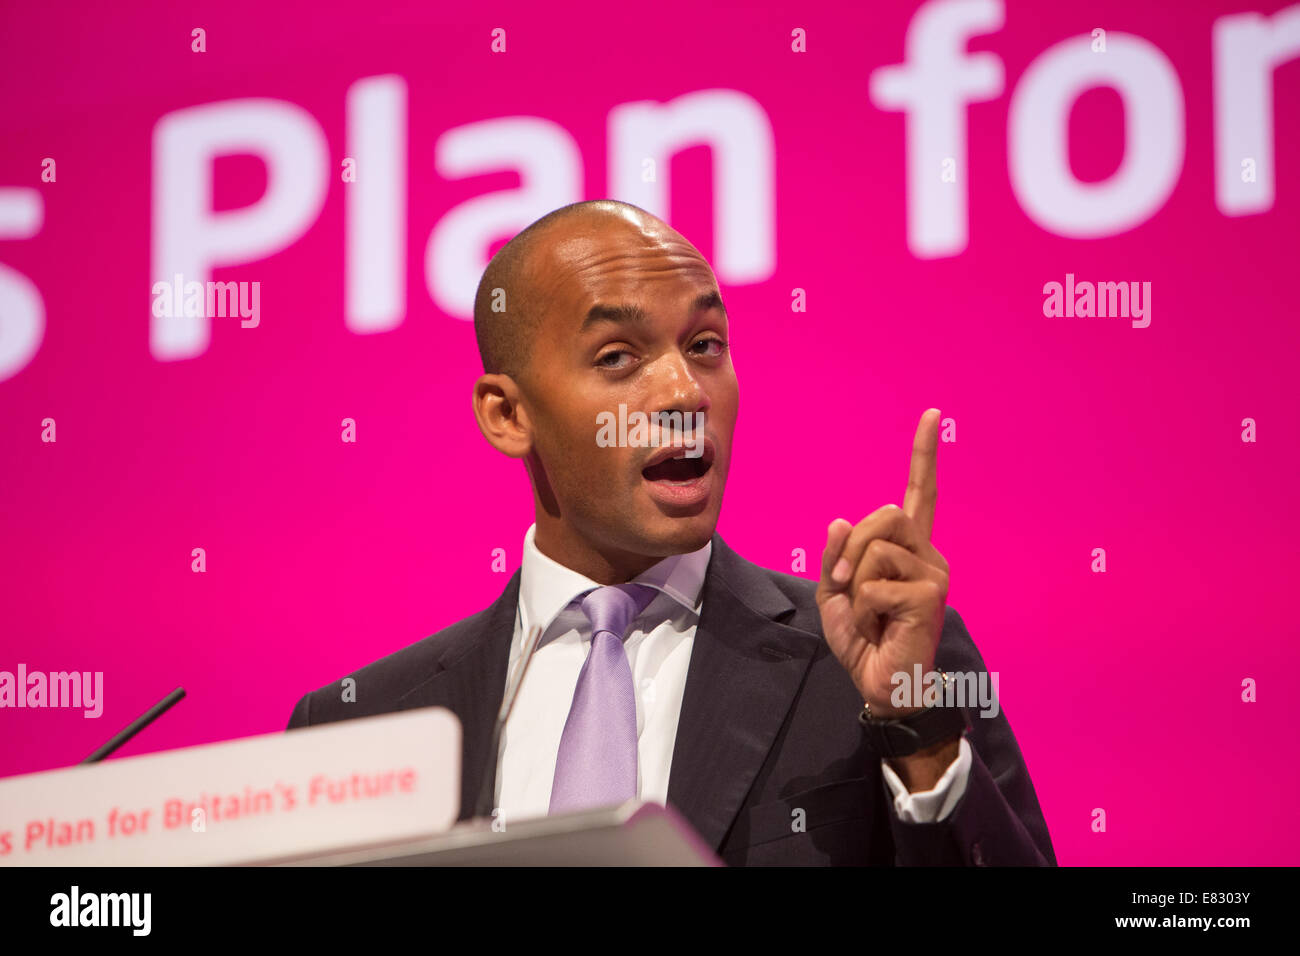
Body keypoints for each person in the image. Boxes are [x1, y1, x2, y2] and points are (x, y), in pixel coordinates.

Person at [287, 199, 1055, 866]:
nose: (684, 391)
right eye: (618, 356)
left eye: (705, 345)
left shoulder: (882, 666)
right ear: (508, 415)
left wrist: (913, 729)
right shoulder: (361, 725)